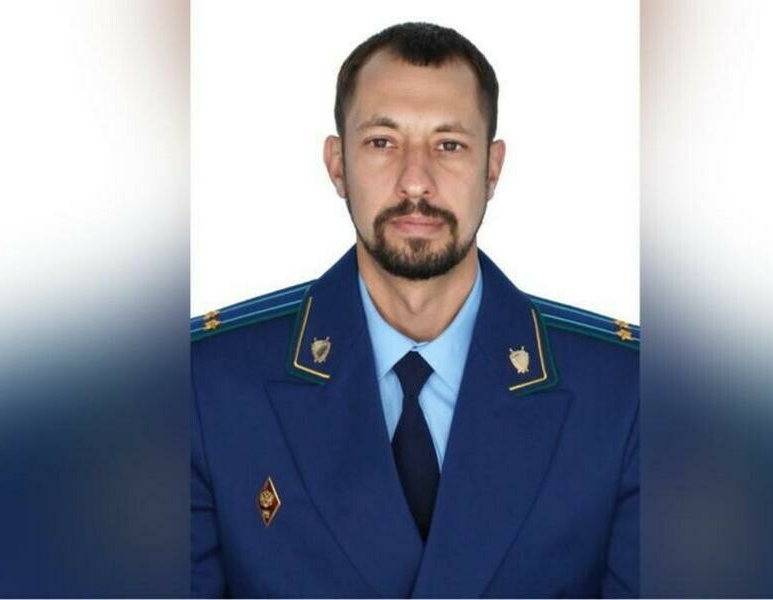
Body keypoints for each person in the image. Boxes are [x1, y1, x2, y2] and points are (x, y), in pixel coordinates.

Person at [191, 22, 639, 598]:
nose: (415, 182)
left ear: (492, 168)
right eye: (383, 142)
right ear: (337, 164)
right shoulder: (207, 386)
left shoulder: (625, 394)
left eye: (448, 145)